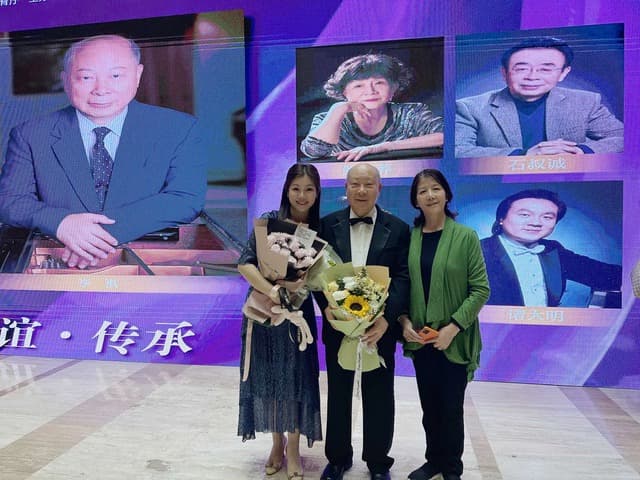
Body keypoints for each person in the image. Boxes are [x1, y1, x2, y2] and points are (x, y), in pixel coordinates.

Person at [0, 34, 206, 269]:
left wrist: (95, 236)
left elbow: (185, 198)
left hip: (150, 261)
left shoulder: (179, 128)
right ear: (66, 80)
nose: (101, 89)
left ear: (138, 75)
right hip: (56, 261)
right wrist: (62, 222)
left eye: (116, 76)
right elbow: (10, 201)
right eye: (86, 77)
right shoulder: (30, 134)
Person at [316, 163, 410, 480]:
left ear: (379, 189)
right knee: (339, 393)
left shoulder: (397, 228)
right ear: (345, 188)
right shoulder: (326, 226)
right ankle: (338, 458)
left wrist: (388, 320)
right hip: (339, 325)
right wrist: (326, 309)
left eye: (368, 184)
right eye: (355, 184)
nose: (361, 190)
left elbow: (402, 278)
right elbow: (316, 274)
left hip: (378, 327)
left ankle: (378, 461)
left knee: (379, 394)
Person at [399, 169, 489, 480]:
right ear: (415, 200)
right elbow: (402, 287)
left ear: (447, 194)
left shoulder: (465, 237)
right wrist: (403, 319)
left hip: (453, 339)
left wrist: (452, 328)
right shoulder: (408, 239)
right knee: (430, 408)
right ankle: (433, 460)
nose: (430, 195)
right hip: (421, 338)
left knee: (451, 408)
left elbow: (480, 289)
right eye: (422, 191)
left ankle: (452, 467)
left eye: (435, 188)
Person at [237, 164, 323, 480]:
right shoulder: (270, 223)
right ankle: (277, 445)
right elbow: (244, 264)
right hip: (264, 314)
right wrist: (274, 289)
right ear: (287, 189)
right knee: (271, 381)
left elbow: (322, 280)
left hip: (297, 318)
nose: (302, 195)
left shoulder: (319, 231)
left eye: (309, 189)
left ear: (317, 194)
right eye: (296, 188)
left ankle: (296, 449)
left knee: (298, 382)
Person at [456, 36, 624, 158]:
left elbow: (624, 138)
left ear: (563, 73)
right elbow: (458, 149)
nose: (532, 76)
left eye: (546, 69)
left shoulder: (586, 102)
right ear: (504, 73)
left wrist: (580, 151)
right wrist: (522, 155)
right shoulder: (469, 107)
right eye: (521, 69)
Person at [481, 189, 622, 307]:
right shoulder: (475, 251)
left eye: (547, 217)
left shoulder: (553, 250)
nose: (536, 222)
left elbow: (607, 275)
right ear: (501, 218)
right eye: (525, 215)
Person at [300, 53, 443, 162]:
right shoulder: (329, 117)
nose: (370, 91)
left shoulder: (411, 113)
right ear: (344, 92)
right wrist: (338, 109)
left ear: (394, 88)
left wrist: (383, 147)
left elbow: (444, 137)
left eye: (379, 83)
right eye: (358, 85)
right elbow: (313, 152)